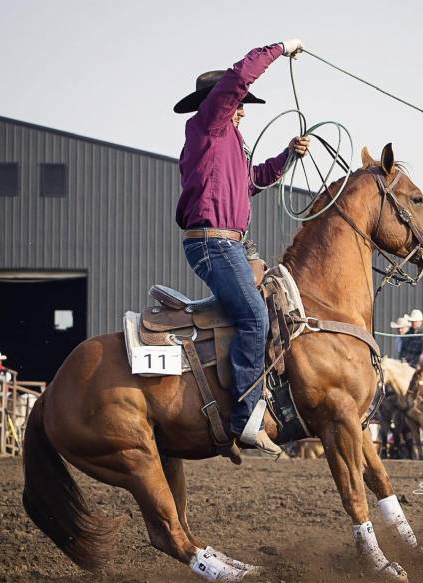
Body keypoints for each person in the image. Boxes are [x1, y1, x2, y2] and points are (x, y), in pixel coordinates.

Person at [174, 40, 309, 453]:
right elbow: (238, 78)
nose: (244, 110)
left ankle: (259, 398)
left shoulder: (225, 143)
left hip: (228, 244)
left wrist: (288, 156)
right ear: (219, 102)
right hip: (214, 243)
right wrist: (280, 48)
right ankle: (246, 416)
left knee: (270, 307)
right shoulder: (209, 126)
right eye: (239, 103)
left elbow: (254, 181)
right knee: (254, 317)